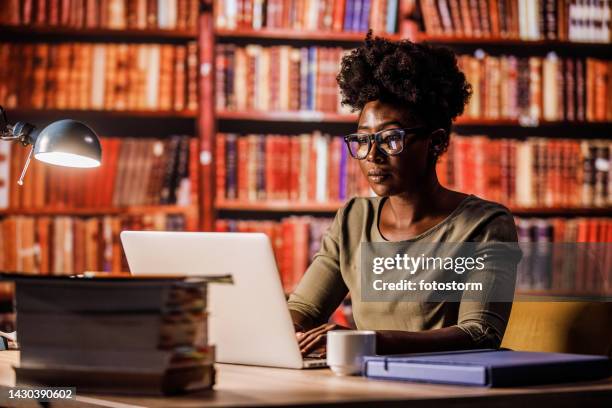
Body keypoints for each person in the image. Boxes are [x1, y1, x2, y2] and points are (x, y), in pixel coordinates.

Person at [287, 31, 522, 356]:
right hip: (365, 386)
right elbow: (303, 310)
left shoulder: (484, 225)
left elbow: (480, 333)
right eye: (363, 140)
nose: (373, 155)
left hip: (444, 391)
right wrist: (287, 330)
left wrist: (366, 342)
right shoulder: (354, 219)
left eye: (391, 138)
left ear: (436, 142)